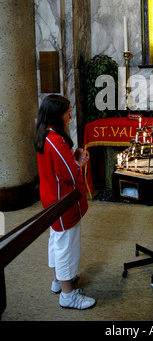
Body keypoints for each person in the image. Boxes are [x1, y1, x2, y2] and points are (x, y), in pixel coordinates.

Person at [34, 94, 96, 310]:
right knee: (66, 247)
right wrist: (79, 161)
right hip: (63, 202)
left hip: (51, 199)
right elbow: (70, 173)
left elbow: (58, 164)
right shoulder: (55, 140)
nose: (70, 115)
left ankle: (58, 282)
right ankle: (68, 296)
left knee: (57, 241)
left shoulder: (46, 135)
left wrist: (72, 154)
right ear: (57, 115)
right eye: (68, 112)